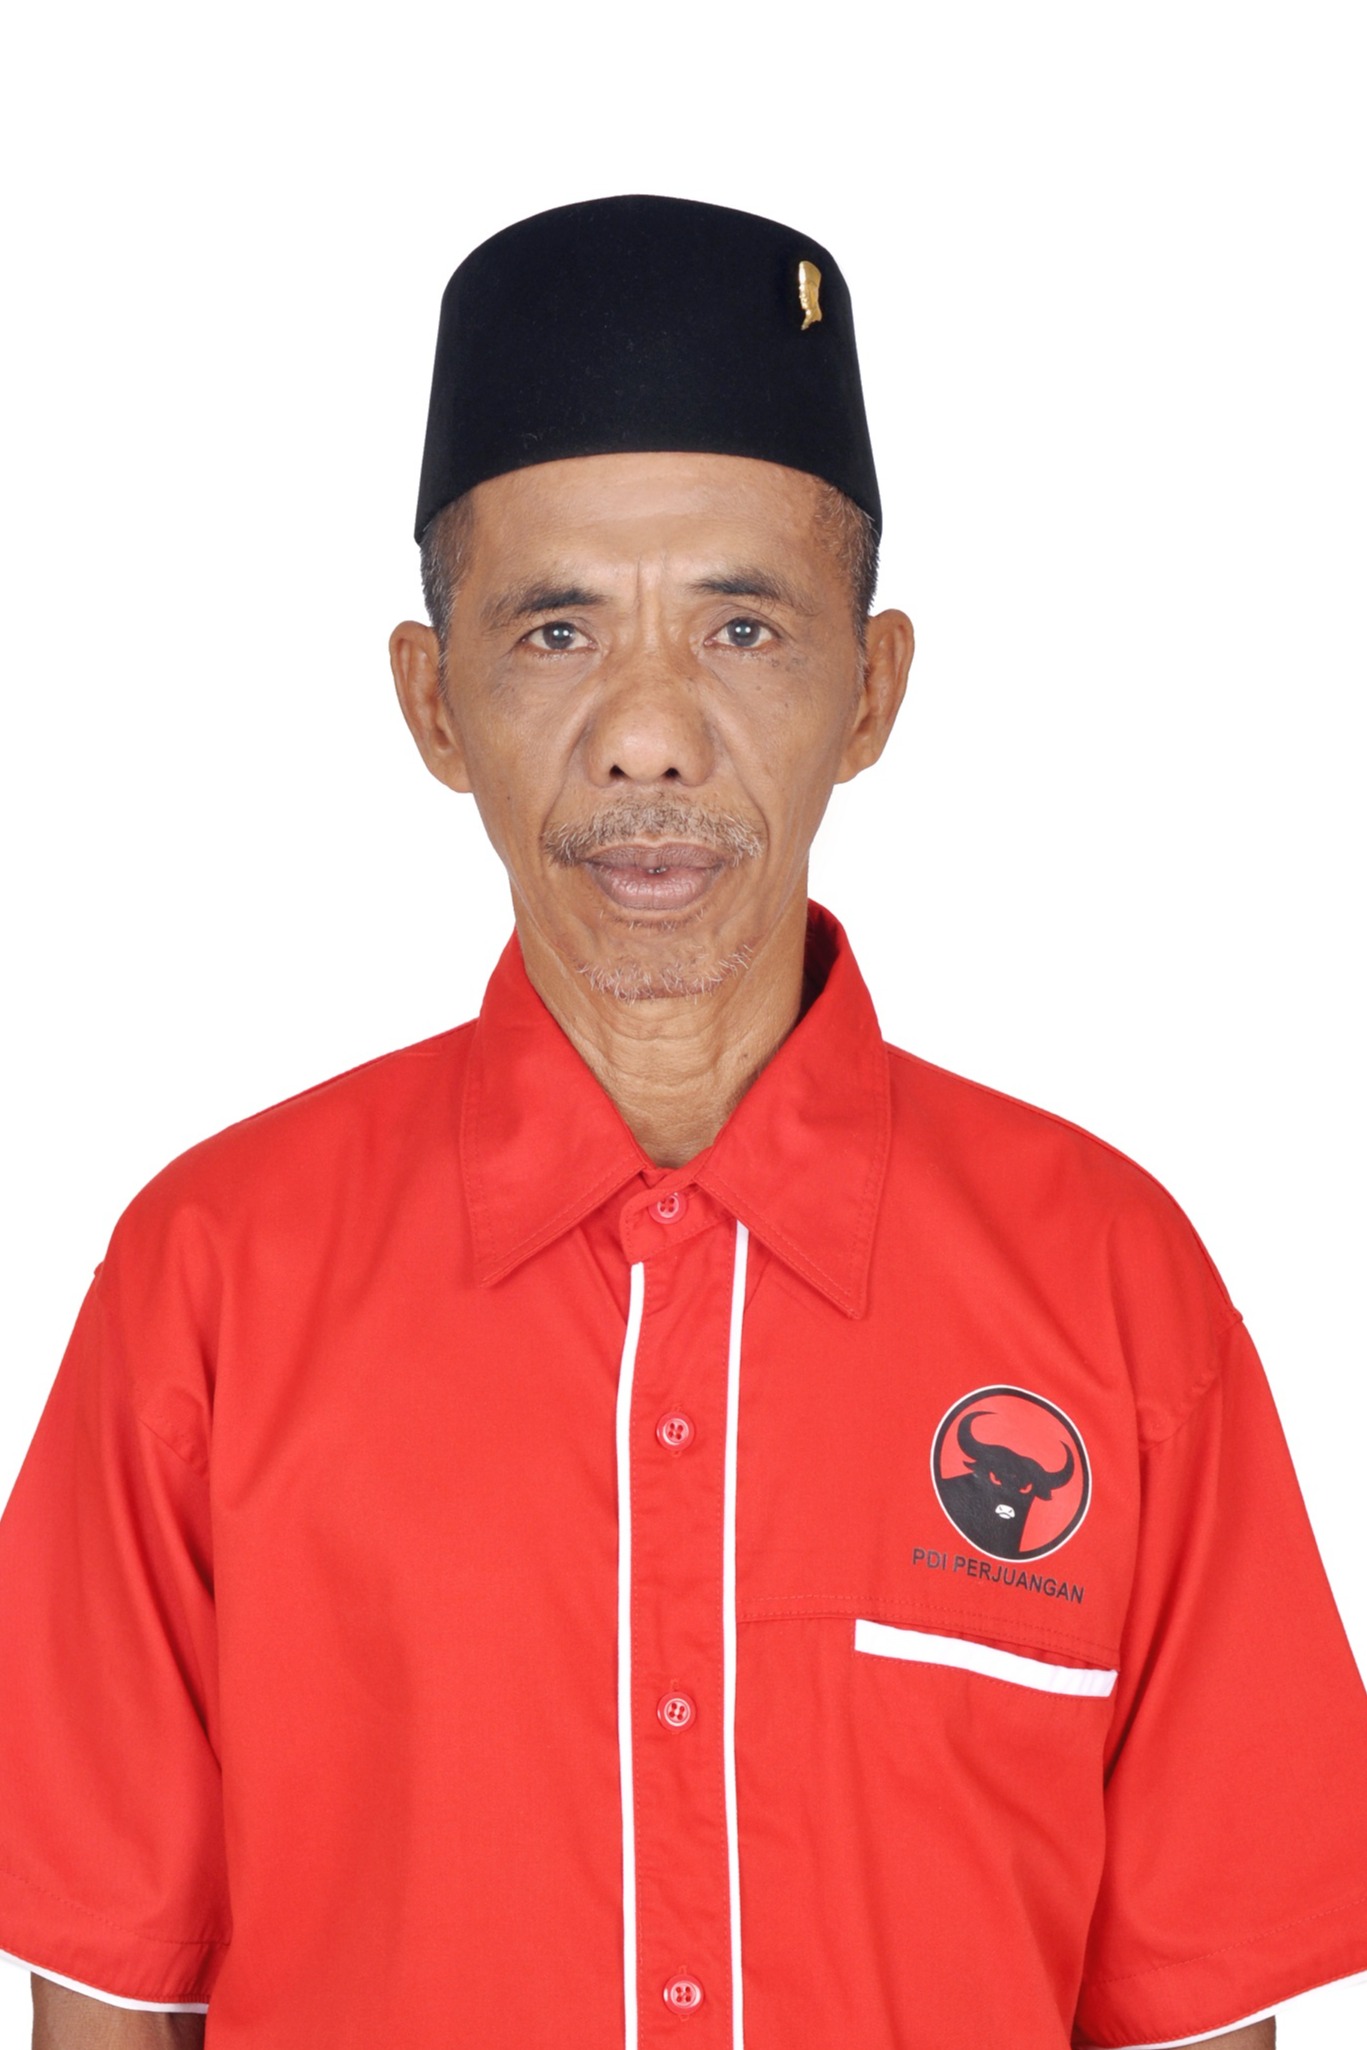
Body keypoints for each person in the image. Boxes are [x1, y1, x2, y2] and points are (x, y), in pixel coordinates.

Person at [2, 193, 1365, 2050]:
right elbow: (106, 2000)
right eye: (557, 629)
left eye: (741, 624)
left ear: (872, 689)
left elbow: (1198, 2012)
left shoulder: (1114, 1287)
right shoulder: (213, 1283)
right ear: (433, 703)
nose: (649, 733)